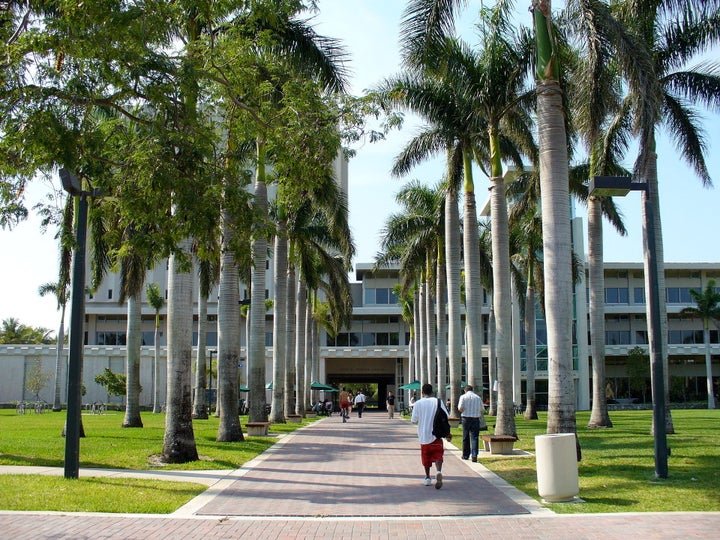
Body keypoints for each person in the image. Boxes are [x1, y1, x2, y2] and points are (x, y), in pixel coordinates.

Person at [411, 383, 451, 489]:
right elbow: (446, 416)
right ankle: (438, 471)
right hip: (436, 434)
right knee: (438, 455)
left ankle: (428, 477)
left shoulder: (418, 403)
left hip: (424, 435)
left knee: (426, 458)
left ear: (422, 392)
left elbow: (414, 420)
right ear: (432, 391)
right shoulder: (438, 401)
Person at [458, 384, 484, 462]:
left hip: (466, 418)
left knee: (465, 437)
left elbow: (460, 408)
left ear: (465, 390)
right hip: (475, 419)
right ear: (472, 390)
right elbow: (482, 409)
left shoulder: (463, 397)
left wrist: (464, 410)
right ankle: (474, 455)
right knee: (474, 437)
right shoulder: (478, 398)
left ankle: (465, 455)